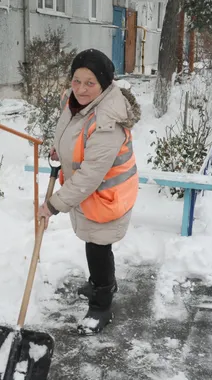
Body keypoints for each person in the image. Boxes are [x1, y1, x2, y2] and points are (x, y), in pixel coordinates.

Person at [38, 48, 141, 335]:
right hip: (89, 195)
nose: (81, 89)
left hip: (107, 196)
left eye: (90, 83)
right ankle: (101, 282)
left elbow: (92, 174)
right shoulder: (75, 102)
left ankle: (101, 304)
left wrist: (53, 205)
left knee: (98, 246)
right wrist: (62, 149)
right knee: (93, 243)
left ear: (105, 84)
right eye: (76, 81)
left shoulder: (107, 121)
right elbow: (72, 131)